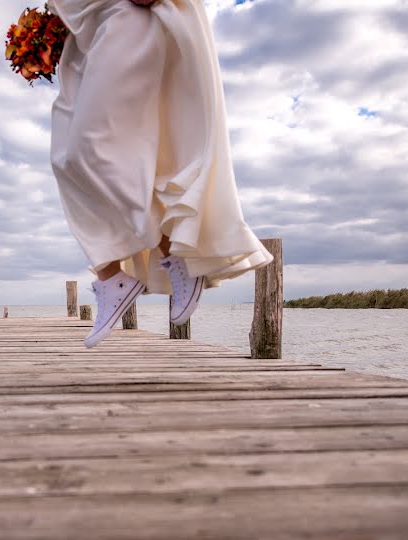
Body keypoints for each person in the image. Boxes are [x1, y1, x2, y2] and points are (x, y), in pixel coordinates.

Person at [49, 0, 273, 347]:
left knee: (90, 146)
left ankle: (170, 250)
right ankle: (112, 276)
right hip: (88, 38)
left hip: (126, 21)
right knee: (65, 158)